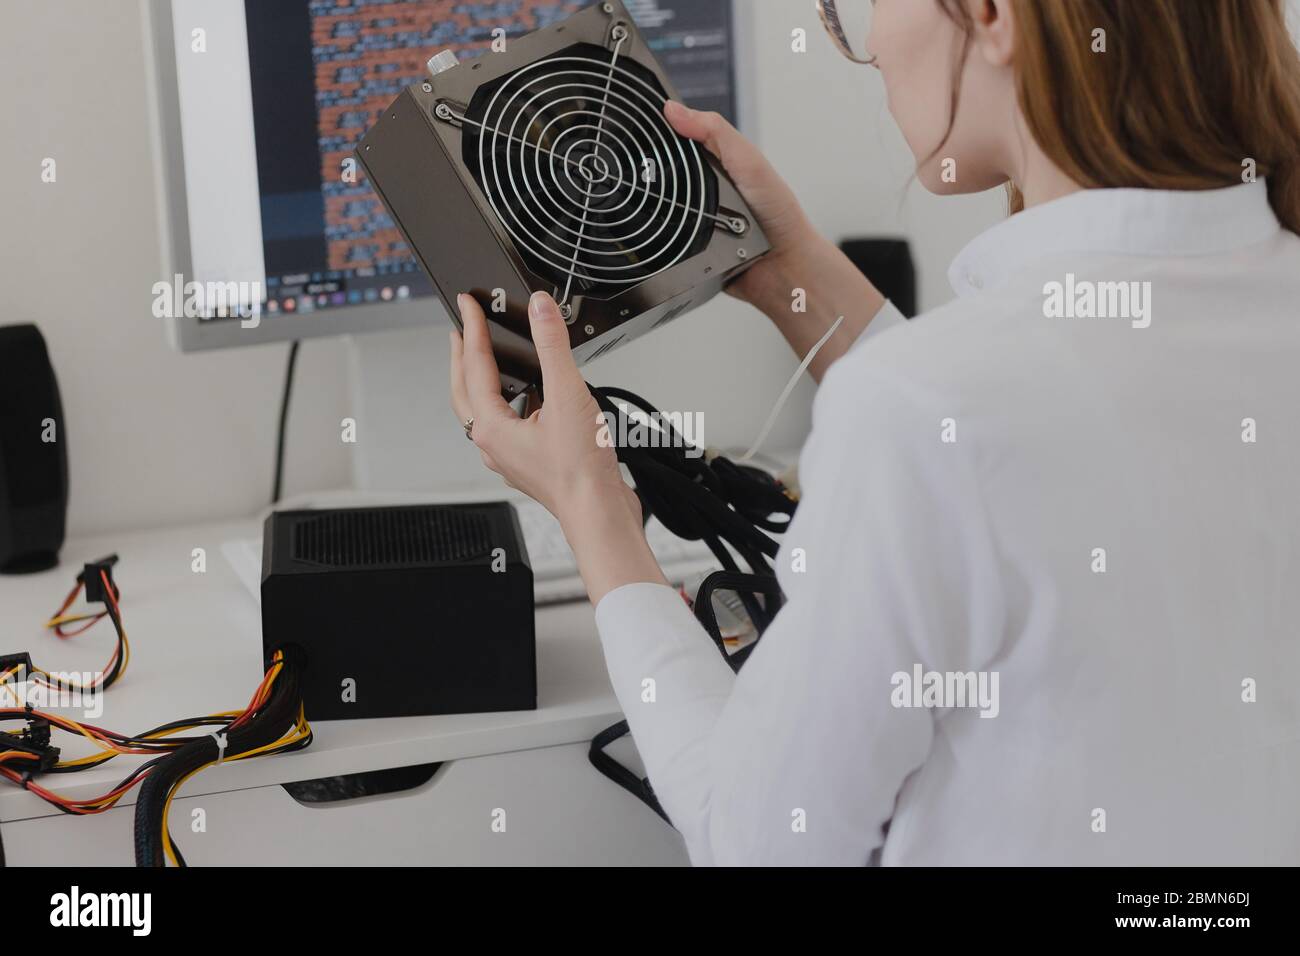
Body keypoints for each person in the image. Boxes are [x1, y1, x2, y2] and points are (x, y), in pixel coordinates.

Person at [447, 0, 1300, 865]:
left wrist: (591, 508)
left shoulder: (924, 411)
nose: (870, 47)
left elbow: (759, 844)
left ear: (993, 16)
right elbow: (1032, 440)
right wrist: (789, 273)